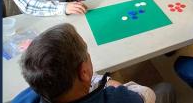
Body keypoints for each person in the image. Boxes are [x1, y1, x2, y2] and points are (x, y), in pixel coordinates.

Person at [13, 23, 177, 103]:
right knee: (166, 89)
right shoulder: (115, 97)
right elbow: (146, 94)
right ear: (84, 73)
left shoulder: (28, 94)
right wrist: (112, 83)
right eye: (86, 53)